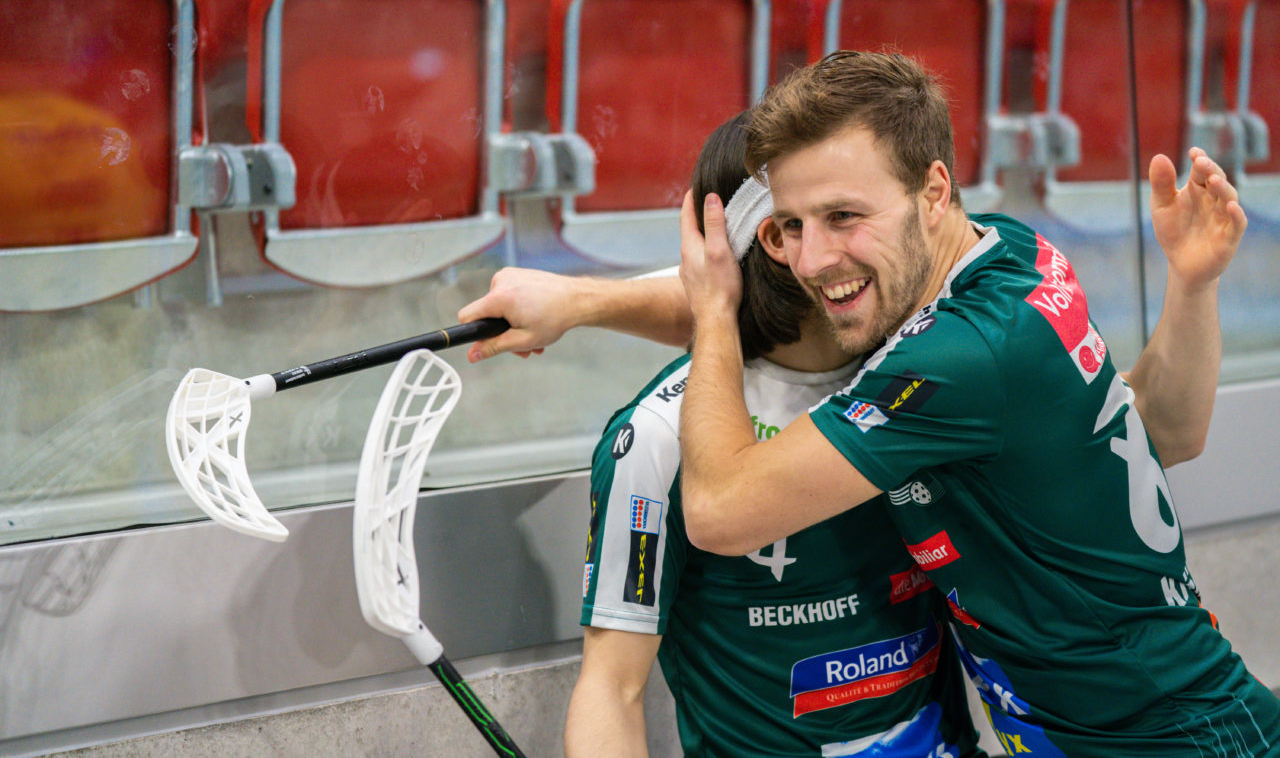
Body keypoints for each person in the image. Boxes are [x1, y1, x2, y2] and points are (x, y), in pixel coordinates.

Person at [460, 53, 1276, 756]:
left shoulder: (949, 357)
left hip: (1164, 734)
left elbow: (721, 505)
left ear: (932, 191)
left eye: (843, 215)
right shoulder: (1004, 255)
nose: (815, 257)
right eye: (789, 228)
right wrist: (577, 299)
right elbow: (1170, 428)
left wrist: (709, 309)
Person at [565, 111, 983, 757]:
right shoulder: (654, 436)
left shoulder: (924, 368)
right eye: (806, 220)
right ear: (771, 242)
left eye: (844, 213)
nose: (847, 239)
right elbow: (612, 688)